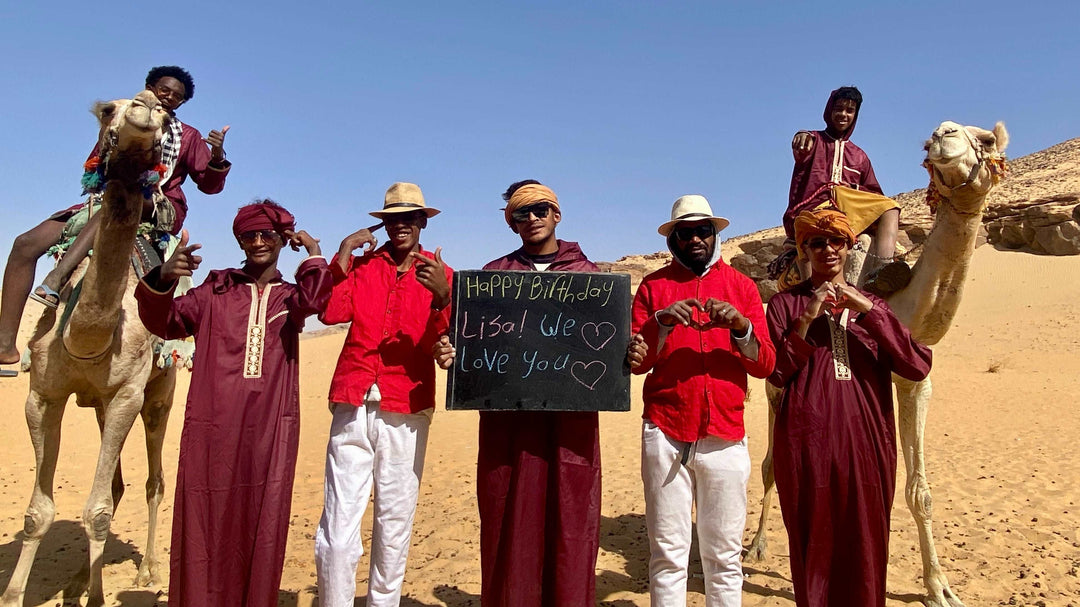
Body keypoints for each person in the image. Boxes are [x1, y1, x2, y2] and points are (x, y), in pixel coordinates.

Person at [134, 200, 331, 606]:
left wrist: (313, 252)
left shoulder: (289, 299)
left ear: (281, 240)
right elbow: (165, 322)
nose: (258, 242)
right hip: (213, 428)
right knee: (206, 515)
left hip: (271, 430)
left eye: (267, 235)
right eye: (249, 236)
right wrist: (163, 277)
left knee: (263, 514)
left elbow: (315, 302)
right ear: (239, 240)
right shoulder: (215, 291)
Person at [433, 180, 602, 606]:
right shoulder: (494, 277)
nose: (531, 219)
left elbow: (609, 350)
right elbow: (469, 341)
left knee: (569, 520)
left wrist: (630, 350)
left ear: (557, 214)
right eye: (521, 214)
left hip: (570, 428)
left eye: (539, 210)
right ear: (512, 223)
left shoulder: (590, 278)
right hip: (508, 427)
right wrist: (451, 348)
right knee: (510, 516)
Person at [0, 65, 231, 369]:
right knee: (25, 243)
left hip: (160, 206)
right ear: (150, 87)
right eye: (164, 90)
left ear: (182, 103)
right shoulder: (122, 119)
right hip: (108, 198)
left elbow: (210, 185)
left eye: (177, 96)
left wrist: (215, 157)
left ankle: (56, 279)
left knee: (120, 201)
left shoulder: (186, 136)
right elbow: (96, 166)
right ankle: (5, 346)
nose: (169, 98)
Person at [766, 209, 932, 607]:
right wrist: (806, 320)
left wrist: (869, 310)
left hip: (867, 444)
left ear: (850, 245)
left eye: (836, 241)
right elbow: (776, 373)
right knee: (813, 540)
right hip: (807, 443)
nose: (827, 249)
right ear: (804, 250)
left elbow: (916, 364)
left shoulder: (872, 305)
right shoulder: (785, 305)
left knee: (866, 539)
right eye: (816, 242)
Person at [625, 194, 776, 606]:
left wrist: (742, 327)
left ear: (715, 235)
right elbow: (638, 363)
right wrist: (662, 322)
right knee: (668, 557)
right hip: (666, 432)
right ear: (673, 239)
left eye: (702, 231)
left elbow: (765, 364)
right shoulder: (654, 287)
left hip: (726, 435)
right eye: (685, 232)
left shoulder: (742, 288)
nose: (695, 239)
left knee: (724, 558)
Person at [315, 182, 453, 607]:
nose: (401, 227)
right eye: (393, 219)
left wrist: (443, 298)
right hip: (353, 398)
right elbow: (330, 311)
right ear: (385, 223)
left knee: (394, 518)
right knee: (339, 522)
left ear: (421, 223)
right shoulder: (362, 267)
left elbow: (447, 338)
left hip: (406, 404)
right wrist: (341, 255)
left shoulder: (440, 273)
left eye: (409, 219)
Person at [784, 86, 907, 294]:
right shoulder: (813, 141)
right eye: (839, 109)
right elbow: (801, 145)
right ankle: (808, 292)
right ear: (829, 110)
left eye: (850, 111)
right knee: (813, 232)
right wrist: (801, 136)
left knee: (891, 207)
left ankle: (883, 269)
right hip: (815, 206)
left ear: (855, 115)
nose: (843, 114)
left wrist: (853, 190)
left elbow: (874, 195)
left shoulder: (860, 156)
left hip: (849, 210)